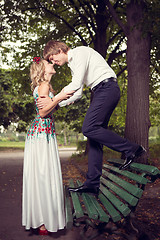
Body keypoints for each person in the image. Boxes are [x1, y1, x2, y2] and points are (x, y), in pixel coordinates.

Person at [39, 40, 146, 196]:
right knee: (94, 137)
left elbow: (75, 84)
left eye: (53, 58)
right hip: (101, 90)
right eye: (51, 62)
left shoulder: (80, 52)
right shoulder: (73, 65)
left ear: (59, 50)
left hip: (107, 88)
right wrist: (57, 105)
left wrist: (54, 99)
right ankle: (92, 184)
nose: (54, 63)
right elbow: (77, 92)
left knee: (89, 128)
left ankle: (132, 149)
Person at [22, 57, 74, 235]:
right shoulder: (44, 85)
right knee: (44, 174)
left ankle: (41, 220)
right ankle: (44, 220)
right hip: (42, 134)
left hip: (43, 133)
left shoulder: (46, 87)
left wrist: (60, 101)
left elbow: (48, 108)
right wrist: (59, 97)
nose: (52, 64)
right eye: (48, 63)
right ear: (43, 70)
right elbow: (43, 112)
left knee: (41, 174)